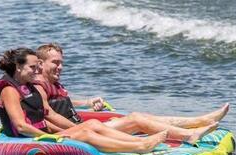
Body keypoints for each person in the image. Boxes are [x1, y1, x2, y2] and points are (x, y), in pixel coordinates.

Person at [34, 43, 223, 142]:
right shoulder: (39, 87)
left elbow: (61, 101)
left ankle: (200, 121)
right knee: (135, 120)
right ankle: (188, 136)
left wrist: (87, 102)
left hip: (83, 125)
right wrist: (76, 128)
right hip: (81, 130)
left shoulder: (51, 83)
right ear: (41, 63)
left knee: (141, 115)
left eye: (61, 62)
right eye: (55, 63)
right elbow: (47, 115)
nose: (60, 67)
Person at [0, 47, 168, 153]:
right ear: (18, 67)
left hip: (40, 134)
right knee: (85, 133)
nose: (36, 70)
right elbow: (21, 126)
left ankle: (141, 141)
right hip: (27, 141)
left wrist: (75, 127)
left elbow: (46, 115)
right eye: (32, 67)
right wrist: (48, 137)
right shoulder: (9, 90)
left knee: (90, 124)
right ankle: (139, 147)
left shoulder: (26, 85)